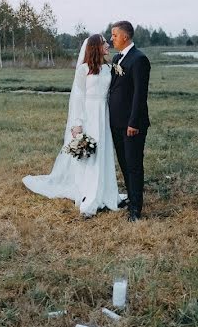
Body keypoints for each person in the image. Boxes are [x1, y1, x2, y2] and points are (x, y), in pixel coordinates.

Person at [22, 34, 122, 218]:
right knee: (90, 155)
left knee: (104, 152)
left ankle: (107, 193)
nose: (108, 44)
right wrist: (77, 124)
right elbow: (78, 98)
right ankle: (90, 195)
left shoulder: (110, 68)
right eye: (104, 43)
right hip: (88, 116)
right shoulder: (83, 70)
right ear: (95, 47)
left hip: (104, 114)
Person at [109, 21, 150, 221]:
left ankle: (136, 209)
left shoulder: (139, 59)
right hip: (115, 122)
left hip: (131, 124)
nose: (112, 39)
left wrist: (133, 123)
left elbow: (139, 95)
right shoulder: (117, 58)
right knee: (124, 164)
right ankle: (131, 199)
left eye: (114, 35)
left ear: (125, 36)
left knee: (134, 165)